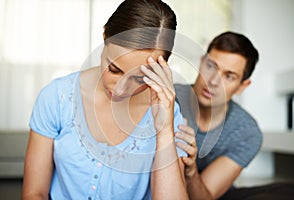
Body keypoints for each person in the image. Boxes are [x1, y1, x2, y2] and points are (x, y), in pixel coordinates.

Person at [22, 0, 189, 199]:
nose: (120, 89)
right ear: (104, 37)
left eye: (139, 78)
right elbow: (34, 193)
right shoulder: (56, 98)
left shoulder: (169, 115)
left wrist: (164, 132)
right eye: (113, 69)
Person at [174, 31, 262, 199]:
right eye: (211, 66)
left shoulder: (246, 133)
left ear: (242, 86)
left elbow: (205, 196)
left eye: (229, 76)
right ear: (201, 62)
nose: (213, 81)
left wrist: (191, 171)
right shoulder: (168, 97)